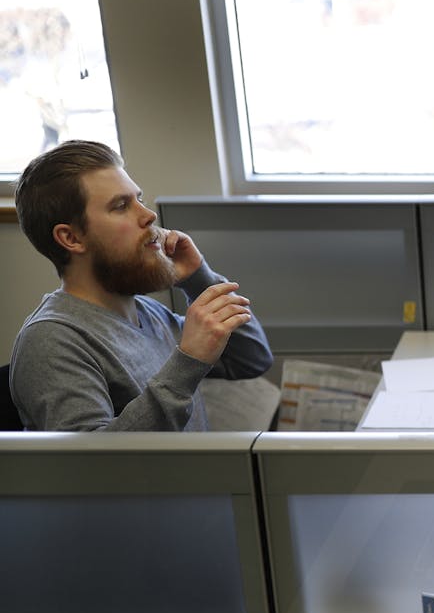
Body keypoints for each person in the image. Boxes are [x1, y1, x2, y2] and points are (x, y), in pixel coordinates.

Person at [8, 140, 273, 431]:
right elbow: (90, 467)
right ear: (72, 238)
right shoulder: (52, 340)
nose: (149, 216)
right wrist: (188, 362)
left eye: (140, 200)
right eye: (121, 206)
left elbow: (251, 358)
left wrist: (198, 278)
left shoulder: (147, 313)